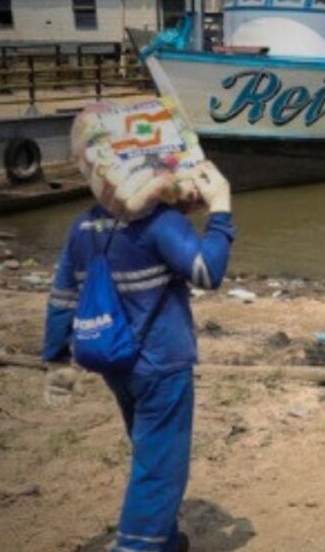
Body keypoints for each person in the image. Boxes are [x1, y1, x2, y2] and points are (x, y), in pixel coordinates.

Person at [42, 163, 235, 552]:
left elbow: (63, 295)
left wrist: (57, 359)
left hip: (114, 360)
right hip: (161, 362)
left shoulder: (82, 226)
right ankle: (136, 545)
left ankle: (163, 540)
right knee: (160, 465)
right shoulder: (159, 223)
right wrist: (220, 209)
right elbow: (206, 271)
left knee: (148, 447)